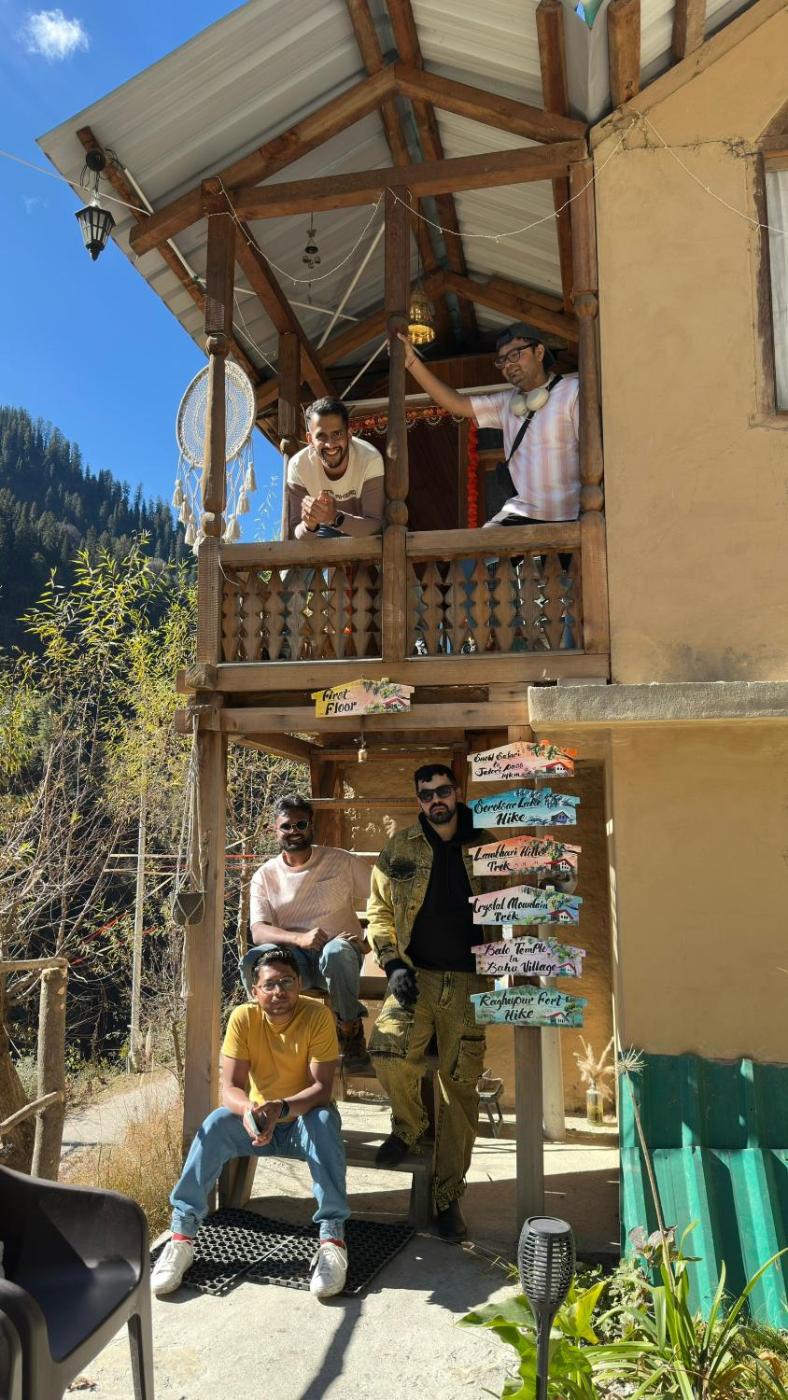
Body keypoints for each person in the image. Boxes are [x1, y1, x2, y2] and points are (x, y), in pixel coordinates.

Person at [150, 947, 349, 1301]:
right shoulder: (243, 1018)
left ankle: (332, 1239)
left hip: (301, 1119)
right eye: (269, 985)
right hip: (257, 1122)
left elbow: (322, 1088)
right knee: (215, 1124)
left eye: (287, 982)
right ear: (255, 991)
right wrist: (248, 1112)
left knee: (323, 1121)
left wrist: (281, 1108)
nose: (279, 991)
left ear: (299, 984)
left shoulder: (317, 1015)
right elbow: (230, 1087)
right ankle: (181, 1237)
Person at [365, 764, 495, 1241]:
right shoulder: (400, 847)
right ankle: (410, 1125)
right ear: (419, 800)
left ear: (456, 792)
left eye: (442, 791)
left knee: (460, 1090)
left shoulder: (486, 845)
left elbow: (517, 901)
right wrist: (391, 963)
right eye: (426, 795)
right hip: (414, 976)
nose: (435, 800)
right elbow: (379, 909)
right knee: (385, 1049)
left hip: (468, 982)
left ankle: (448, 1197)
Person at [397, 323, 579, 527]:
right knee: (479, 544)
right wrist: (412, 363)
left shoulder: (573, 392)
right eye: (502, 360)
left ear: (539, 352)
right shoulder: (507, 402)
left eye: (515, 354)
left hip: (569, 514)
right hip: (521, 511)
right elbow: (458, 404)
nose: (508, 365)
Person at [247, 793, 373, 1073]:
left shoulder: (341, 861)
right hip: (295, 962)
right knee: (254, 959)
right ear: (274, 829)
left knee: (336, 951)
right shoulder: (265, 876)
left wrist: (370, 941)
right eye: (286, 826)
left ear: (311, 825)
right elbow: (258, 931)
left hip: (340, 958)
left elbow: (384, 896)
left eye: (301, 824)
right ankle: (271, 1035)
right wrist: (298, 939)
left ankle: (350, 1032)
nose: (294, 831)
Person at [286, 396, 385, 540]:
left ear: (349, 434)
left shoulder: (370, 458)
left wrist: (334, 517)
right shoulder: (298, 466)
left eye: (337, 434)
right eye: (321, 436)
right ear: (310, 440)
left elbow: (374, 525)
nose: (330, 444)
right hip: (325, 530)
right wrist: (309, 525)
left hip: (365, 532)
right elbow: (297, 533)